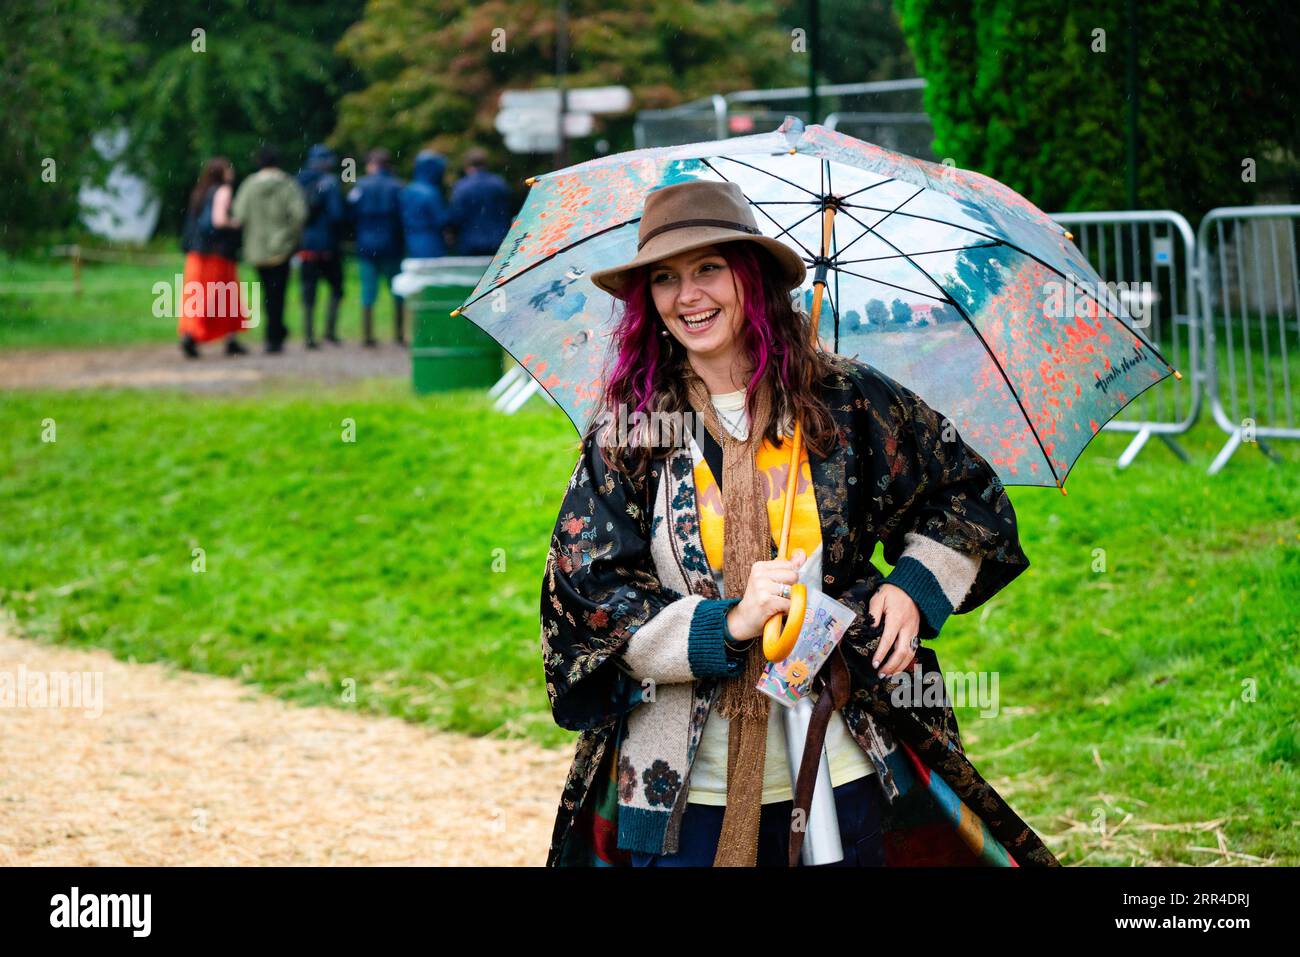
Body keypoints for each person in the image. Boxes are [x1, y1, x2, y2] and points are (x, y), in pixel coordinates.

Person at [539, 180, 1060, 868]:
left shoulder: (842, 398)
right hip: (683, 786)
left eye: (708, 269)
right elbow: (585, 597)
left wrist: (911, 587)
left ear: (750, 277)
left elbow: (966, 497)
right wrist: (722, 624)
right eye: (665, 278)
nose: (687, 295)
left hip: (839, 755)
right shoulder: (634, 429)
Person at [231, 144, 308, 353]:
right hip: (281, 248)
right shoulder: (288, 185)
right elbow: (299, 214)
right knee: (278, 293)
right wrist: (290, 236)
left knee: (266, 292)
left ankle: (273, 331)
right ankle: (274, 336)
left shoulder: (249, 185)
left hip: (256, 248)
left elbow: (239, 215)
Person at [178, 157, 248, 358]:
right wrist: (235, 223)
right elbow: (218, 221)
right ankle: (230, 339)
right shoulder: (223, 191)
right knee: (226, 295)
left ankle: (191, 334)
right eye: (228, 169)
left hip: (196, 253)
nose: (231, 172)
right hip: (217, 253)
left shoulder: (200, 192)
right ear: (221, 172)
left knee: (196, 296)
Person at [347, 147, 406, 347]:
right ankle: (398, 334)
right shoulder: (397, 186)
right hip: (392, 245)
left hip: (366, 245)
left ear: (372, 165)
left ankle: (367, 336)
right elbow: (403, 216)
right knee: (397, 290)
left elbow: (351, 215)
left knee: (368, 291)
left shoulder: (360, 186)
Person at [295, 144, 347, 347]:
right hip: (328, 245)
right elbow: (337, 214)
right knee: (336, 287)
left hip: (306, 244)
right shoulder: (330, 182)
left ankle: (308, 336)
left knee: (309, 288)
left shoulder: (298, 180)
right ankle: (329, 331)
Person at [444, 147, 512, 256]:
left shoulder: (461, 187)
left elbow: (455, 216)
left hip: (469, 243)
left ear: (467, 166)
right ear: (486, 164)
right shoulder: (499, 184)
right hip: (498, 241)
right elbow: (507, 212)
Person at [400, 149, 450, 259]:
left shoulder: (408, 189)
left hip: (410, 237)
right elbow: (441, 219)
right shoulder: (431, 192)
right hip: (430, 239)